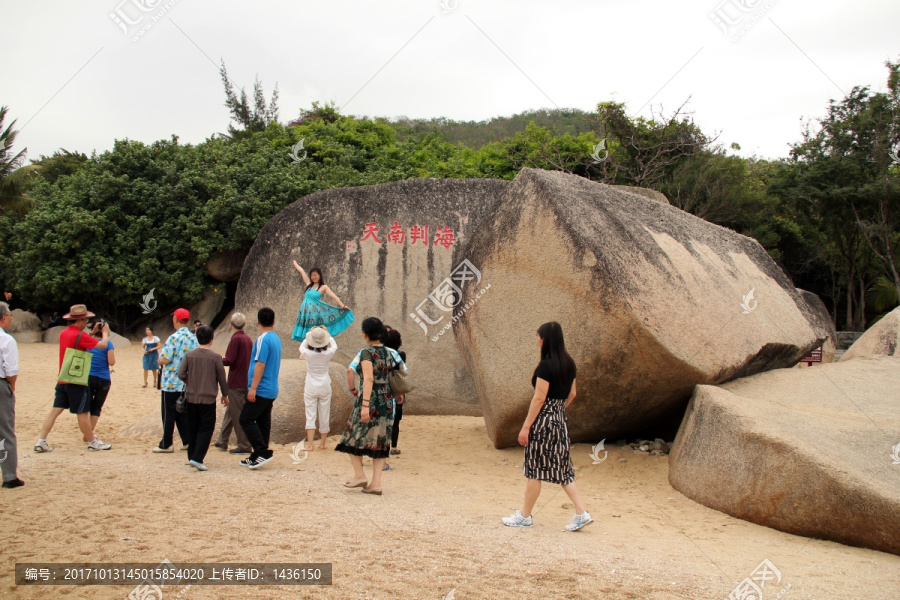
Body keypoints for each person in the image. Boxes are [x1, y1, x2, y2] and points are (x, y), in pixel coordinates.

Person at [502, 322, 592, 531]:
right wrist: (558, 409)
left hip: (543, 421)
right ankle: (581, 512)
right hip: (560, 420)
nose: (537, 340)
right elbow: (573, 394)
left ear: (546, 339)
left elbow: (539, 398)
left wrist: (526, 427)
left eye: (539, 336)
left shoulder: (545, 366)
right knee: (563, 470)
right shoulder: (570, 363)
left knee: (534, 469)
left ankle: (524, 516)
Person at [34, 304, 112, 452]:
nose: (86, 323)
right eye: (85, 320)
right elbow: (102, 345)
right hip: (77, 380)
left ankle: (41, 440)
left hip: (63, 378)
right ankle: (92, 442)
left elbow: (78, 343)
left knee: (55, 410)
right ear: (80, 320)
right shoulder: (80, 335)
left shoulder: (64, 333)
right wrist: (105, 333)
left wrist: (92, 333)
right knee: (82, 412)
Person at [335, 317, 395, 495]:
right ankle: (375, 483)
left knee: (352, 435)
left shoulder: (366, 353)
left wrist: (365, 406)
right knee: (380, 441)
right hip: (386, 401)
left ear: (365, 333)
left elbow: (369, 378)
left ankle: (360, 475)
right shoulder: (389, 352)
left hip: (370, 399)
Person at [178, 325, 229, 471]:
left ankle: (192, 456)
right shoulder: (216, 357)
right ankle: (197, 457)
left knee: (192, 427)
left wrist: (191, 381)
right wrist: (225, 394)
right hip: (208, 399)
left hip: (191, 397)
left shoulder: (189, 355)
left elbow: (181, 374)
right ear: (211, 340)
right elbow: (221, 378)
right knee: (206, 428)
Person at [239, 307, 282, 469]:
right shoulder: (276, 338)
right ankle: (257, 455)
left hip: (262, 388)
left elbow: (260, 363)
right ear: (274, 321)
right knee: (263, 421)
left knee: (246, 418)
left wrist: (253, 388)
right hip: (271, 388)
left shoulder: (263, 339)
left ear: (258, 322)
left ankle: (261, 450)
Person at [153, 308, 198, 453]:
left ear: (176, 320)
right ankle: (187, 440)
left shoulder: (173, 338)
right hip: (186, 382)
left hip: (171, 381)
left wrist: (160, 360)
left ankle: (166, 443)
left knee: (168, 413)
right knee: (182, 411)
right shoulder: (193, 338)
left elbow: (166, 359)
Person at [213, 313, 253, 455]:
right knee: (231, 411)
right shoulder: (247, 338)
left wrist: (216, 359)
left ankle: (244, 445)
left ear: (231, 324)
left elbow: (229, 360)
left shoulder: (236, 339)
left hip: (236, 381)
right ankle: (222, 440)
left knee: (237, 414)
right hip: (245, 380)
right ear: (244, 324)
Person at [289, 261, 354, 342]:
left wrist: (342, 306)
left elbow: (334, 297)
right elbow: (302, 271)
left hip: (314, 314)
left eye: (315, 275)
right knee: (306, 336)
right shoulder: (309, 285)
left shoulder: (323, 287)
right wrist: (295, 263)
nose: (313, 277)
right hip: (305, 313)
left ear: (319, 275)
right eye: (312, 275)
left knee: (312, 333)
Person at [299, 326, 338, 451]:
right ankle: (322, 443)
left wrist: (310, 333)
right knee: (324, 413)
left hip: (311, 385)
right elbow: (334, 345)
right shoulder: (328, 353)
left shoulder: (307, 353)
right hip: (325, 385)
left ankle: (310, 445)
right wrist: (327, 333)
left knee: (310, 414)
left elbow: (302, 345)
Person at [0, 302, 23, 488]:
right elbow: (11, 370)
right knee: (5, 431)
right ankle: (9, 476)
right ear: (3, 317)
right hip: (1, 384)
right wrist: (11, 387)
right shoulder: (6, 340)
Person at [87, 320, 115, 438]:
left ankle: (86, 431)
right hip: (103, 378)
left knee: (87, 406)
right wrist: (106, 334)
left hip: (88, 377)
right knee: (97, 407)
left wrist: (92, 333)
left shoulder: (89, 342)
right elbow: (111, 362)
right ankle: (90, 432)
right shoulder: (108, 344)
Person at [382, 328, 407, 456]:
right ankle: (394, 447)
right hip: (396, 389)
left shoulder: (378, 354)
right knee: (396, 420)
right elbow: (400, 373)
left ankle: (383, 446)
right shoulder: (400, 355)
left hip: (382, 389)